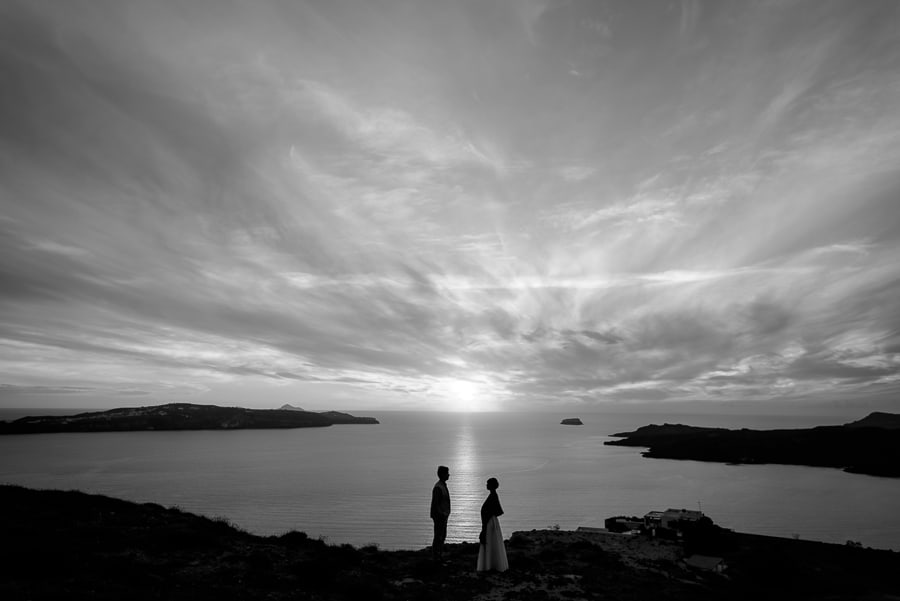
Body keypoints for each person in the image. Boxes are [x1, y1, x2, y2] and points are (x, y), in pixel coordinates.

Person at [477, 477, 508, 572]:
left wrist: (485, 526)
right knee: (491, 542)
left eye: (487, 483)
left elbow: (495, 511)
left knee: (490, 542)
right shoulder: (493, 495)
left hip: (490, 523)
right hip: (491, 521)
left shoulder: (493, 496)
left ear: (491, 485)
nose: (486, 485)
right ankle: (491, 564)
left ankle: (491, 564)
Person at [430, 465, 451, 563]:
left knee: (442, 536)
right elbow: (436, 504)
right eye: (447, 473)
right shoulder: (438, 487)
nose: (449, 475)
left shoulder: (442, 485)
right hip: (439, 516)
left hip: (443, 515)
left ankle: (439, 556)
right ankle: (436, 557)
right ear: (442, 474)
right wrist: (442, 514)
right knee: (438, 536)